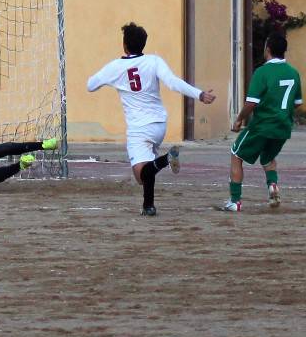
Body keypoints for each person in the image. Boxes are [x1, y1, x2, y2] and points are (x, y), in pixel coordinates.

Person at [87, 22, 215, 216]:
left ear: (124, 45)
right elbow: (172, 83)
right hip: (159, 125)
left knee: (141, 175)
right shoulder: (154, 61)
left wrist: (112, 81)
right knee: (147, 167)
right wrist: (199, 94)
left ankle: (166, 159)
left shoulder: (116, 66)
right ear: (143, 44)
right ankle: (148, 206)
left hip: (139, 128)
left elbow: (90, 85)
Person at [224, 34, 302, 212]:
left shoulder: (262, 72)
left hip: (262, 125)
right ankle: (272, 185)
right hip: (283, 127)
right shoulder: (293, 72)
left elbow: (251, 103)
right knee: (268, 158)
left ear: (267, 49)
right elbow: (297, 103)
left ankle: (235, 201)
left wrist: (239, 119)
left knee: (236, 154)